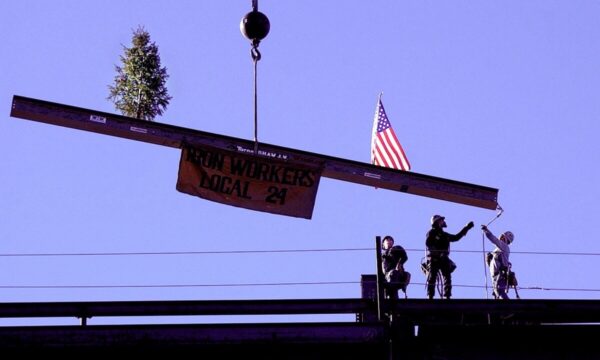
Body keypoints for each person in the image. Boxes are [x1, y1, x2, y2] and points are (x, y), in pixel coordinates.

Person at [425, 215, 474, 299]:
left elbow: (456, 237)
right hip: (435, 258)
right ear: (437, 221)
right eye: (441, 220)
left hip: (443, 258)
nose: (443, 221)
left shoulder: (444, 235)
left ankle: (447, 295)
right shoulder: (432, 232)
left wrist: (466, 228)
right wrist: (437, 253)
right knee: (432, 276)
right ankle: (430, 296)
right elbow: (428, 243)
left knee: (447, 277)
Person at [481, 225, 514, 300]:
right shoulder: (498, 250)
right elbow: (494, 265)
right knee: (496, 295)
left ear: (505, 239)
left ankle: (509, 307)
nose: (500, 237)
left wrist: (486, 230)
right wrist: (489, 261)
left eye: (502, 237)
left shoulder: (504, 246)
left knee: (500, 291)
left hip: (500, 276)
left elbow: (494, 240)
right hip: (495, 277)